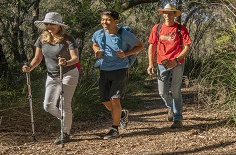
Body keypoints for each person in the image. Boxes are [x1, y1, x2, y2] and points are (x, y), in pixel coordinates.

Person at [22, 12, 79, 145]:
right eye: (47, 24)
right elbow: (38, 58)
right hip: (52, 75)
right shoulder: (42, 39)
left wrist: (66, 62)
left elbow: (75, 58)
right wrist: (29, 67)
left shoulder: (68, 39)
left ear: (59, 26)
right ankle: (67, 119)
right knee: (48, 106)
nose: (49, 26)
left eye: (52, 24)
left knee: (64, 104)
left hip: (68, 73)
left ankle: (65, 132)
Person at [91, 9, 144, 139]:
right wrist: (96, 51)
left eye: (108, 20)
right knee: (105, 101)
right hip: (104, 69)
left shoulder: (124, 34)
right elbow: (95, 44)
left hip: (120, 69)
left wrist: (125, 54)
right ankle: (121, 114)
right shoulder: (98, 34)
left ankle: (114, 129)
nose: (105, 22)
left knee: (115, 99)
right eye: (103, 19)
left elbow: (140, 46)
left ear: (116, 21)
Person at [147, 3, 192, 128]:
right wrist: (151, 63)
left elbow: (187, 47)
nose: (167, 15)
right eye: (165, 13)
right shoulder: (157, 28)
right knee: (162, 92)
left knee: (176, 91)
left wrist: (177, 60)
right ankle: (171, 107)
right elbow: (152, 46)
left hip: (177, 63)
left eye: (170, 13)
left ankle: (178, 119)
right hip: (162, 63)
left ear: (174, 15)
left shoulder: (180, 28)